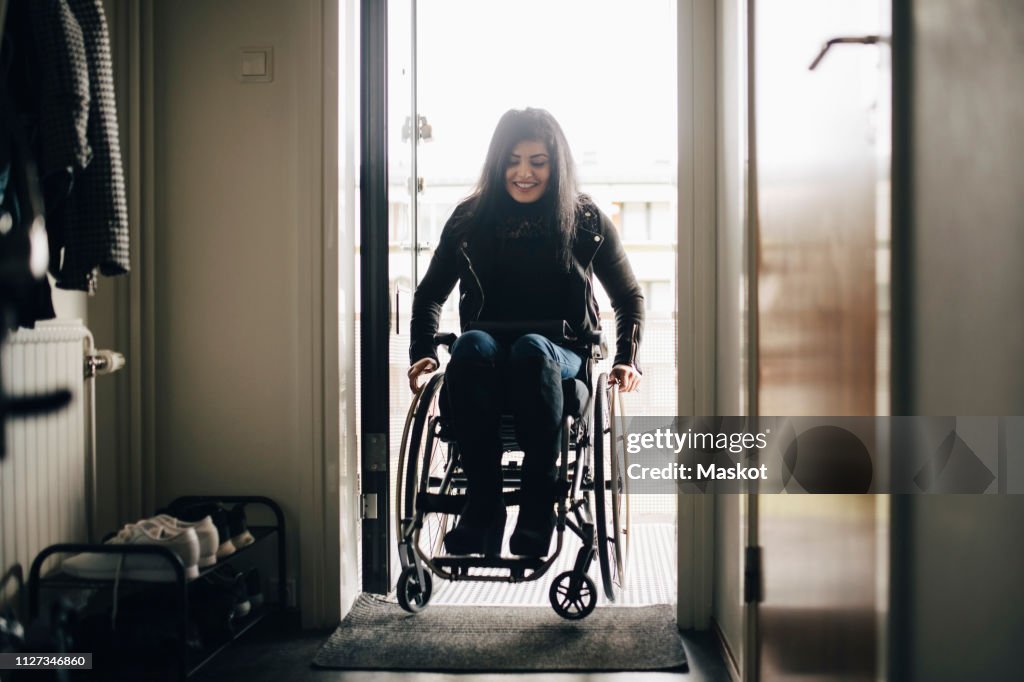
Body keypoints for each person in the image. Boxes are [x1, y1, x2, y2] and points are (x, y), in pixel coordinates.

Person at [407, 108, 644, 558]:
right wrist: (424, 351)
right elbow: (429, 295)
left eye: (538, 161)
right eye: (513, 160)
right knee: (471, 346)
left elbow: (629, 296)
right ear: (498, 163)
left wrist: (626, 358)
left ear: (556, 164)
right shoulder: (468, 220)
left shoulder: (586, 219)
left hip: (563, 353)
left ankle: (538, 506)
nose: (523, 172)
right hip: (488, 353)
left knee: (533, 351)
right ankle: (483, 511)